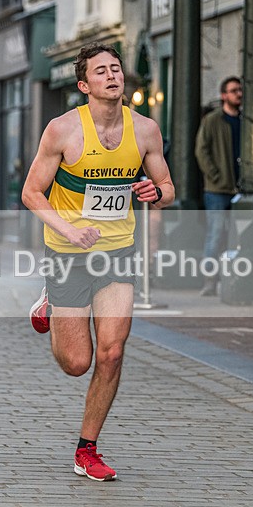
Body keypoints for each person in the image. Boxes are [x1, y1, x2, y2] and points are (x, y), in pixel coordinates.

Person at [21, 42, 174, 482]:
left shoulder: (145, 130)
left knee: (112, 352)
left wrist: (156, 193)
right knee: (77, 362)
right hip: (68, 252)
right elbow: (31, 192)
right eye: (101, 70)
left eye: (116, 68)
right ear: (84, 85)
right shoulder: (63, 130)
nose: (112, 75)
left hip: (118, 251)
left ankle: (86, 449)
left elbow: (167, 188)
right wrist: (68, 230)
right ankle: (51, 301)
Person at [194, 76, 242, 296]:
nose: (239, 94)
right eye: (233, 90)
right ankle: (210, 280)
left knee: (236, 235)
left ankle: (231, 279)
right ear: (224, 95)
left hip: (241, 187)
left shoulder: (246, 120)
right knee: (215, 234)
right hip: (217, 189)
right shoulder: (212, 120)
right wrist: (215, 176)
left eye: (240, 90)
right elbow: (201, 150)